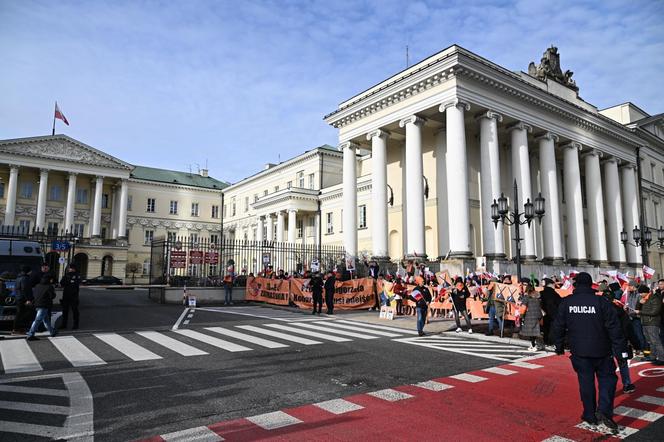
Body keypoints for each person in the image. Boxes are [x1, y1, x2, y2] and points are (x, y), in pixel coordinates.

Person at [553, 272, 628, 430]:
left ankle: (589, 414)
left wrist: (559, 346)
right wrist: (621, 351)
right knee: (608, 381)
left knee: (586, 383)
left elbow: (558, 326)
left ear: (575, 285)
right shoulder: (601, 301)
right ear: (590, 285)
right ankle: (604, 410)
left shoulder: (567, 302)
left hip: (579, 351)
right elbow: (614, 327)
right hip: (602, 350)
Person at [600, 285, 636, 393]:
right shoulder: (619, 310)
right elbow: (628, 327)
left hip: (604, 341)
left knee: (606, 365)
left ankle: (608, 387)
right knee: (622, 362)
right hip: (619, 341)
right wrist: (634, 342)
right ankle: (627, 384)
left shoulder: (598, 311)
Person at [635, 284, 664, 365]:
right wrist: (639, 303)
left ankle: (662, 358)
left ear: (646, 292)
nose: (640, 295)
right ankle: (652, 356)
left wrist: (640, 312)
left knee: (655, 341)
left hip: (653, 322)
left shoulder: (655, 298)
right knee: (649, 341)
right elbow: (637, 308)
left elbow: (654, 312)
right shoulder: (643, 298)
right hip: (644, 322)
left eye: (641, 293)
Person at [26, 275, 58, 341]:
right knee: (37, 320)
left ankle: (52, 332)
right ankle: (30, 334)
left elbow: (34, 294)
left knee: (46, 320)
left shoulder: (37, 285)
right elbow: (52, 296)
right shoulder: (49, 286)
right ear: (49, 280)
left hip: (36, 304)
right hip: (44, 305)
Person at [521, 280, 543, 351]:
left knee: (531, 332)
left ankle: (533, 346)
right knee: (537, 331)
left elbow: (523, 308)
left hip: (530, 315)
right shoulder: (537, 296)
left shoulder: (526, 297)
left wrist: (521, 315)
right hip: (538, 315)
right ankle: (538, 345)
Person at [541, 278, 562, 350]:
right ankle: (551, 342)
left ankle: (546, 341)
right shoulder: (554, 294)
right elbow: (560, 303)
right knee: (552, 328)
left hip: (544, 313)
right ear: (550, 285)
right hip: (554, 313)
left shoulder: (541, 293)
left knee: (546, 327)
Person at [12, 266, 33, 334]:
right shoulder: (25, 278)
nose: (31, 272)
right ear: (28, 271)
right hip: (23, 299)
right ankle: (16, 329)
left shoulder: (18, 277)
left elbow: (16, 289)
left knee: (20, 313)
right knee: (21, 314)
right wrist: (28, 299)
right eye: (30, 271)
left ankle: (18, 328)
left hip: (19, 298)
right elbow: (25, 289)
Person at [59, 264, 81, 329]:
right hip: (66, 295)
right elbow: (62, 282)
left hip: (74, 296)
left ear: (74, 269)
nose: (69, 269)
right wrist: (70, 281)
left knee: (75, 311)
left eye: (71, 268)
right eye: (69, 268)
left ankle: (75, 325)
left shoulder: (77, 275)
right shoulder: (66, 275)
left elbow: (77, 283)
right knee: (65, 311)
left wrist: (69, 282)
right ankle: (64, 324)